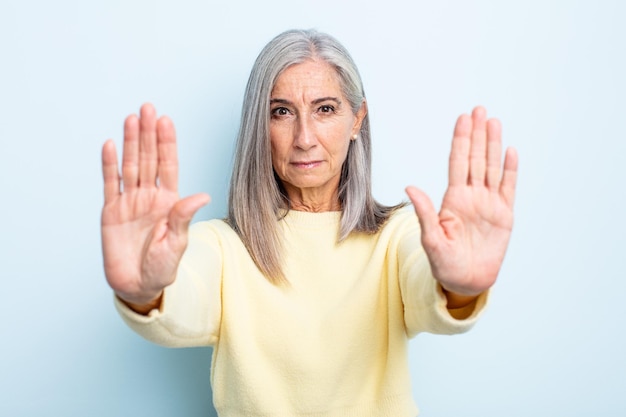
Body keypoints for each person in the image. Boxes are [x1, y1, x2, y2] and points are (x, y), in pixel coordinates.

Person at [101, 29, 518, 416]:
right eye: (281, 111)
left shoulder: (398, 237)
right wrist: (145, 293)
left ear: (357, 120)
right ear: (258, 126)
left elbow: (427, 290)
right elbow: (180, 305)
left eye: (325, 109)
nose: (304, 137)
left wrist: (460, 288)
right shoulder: (223, 247)